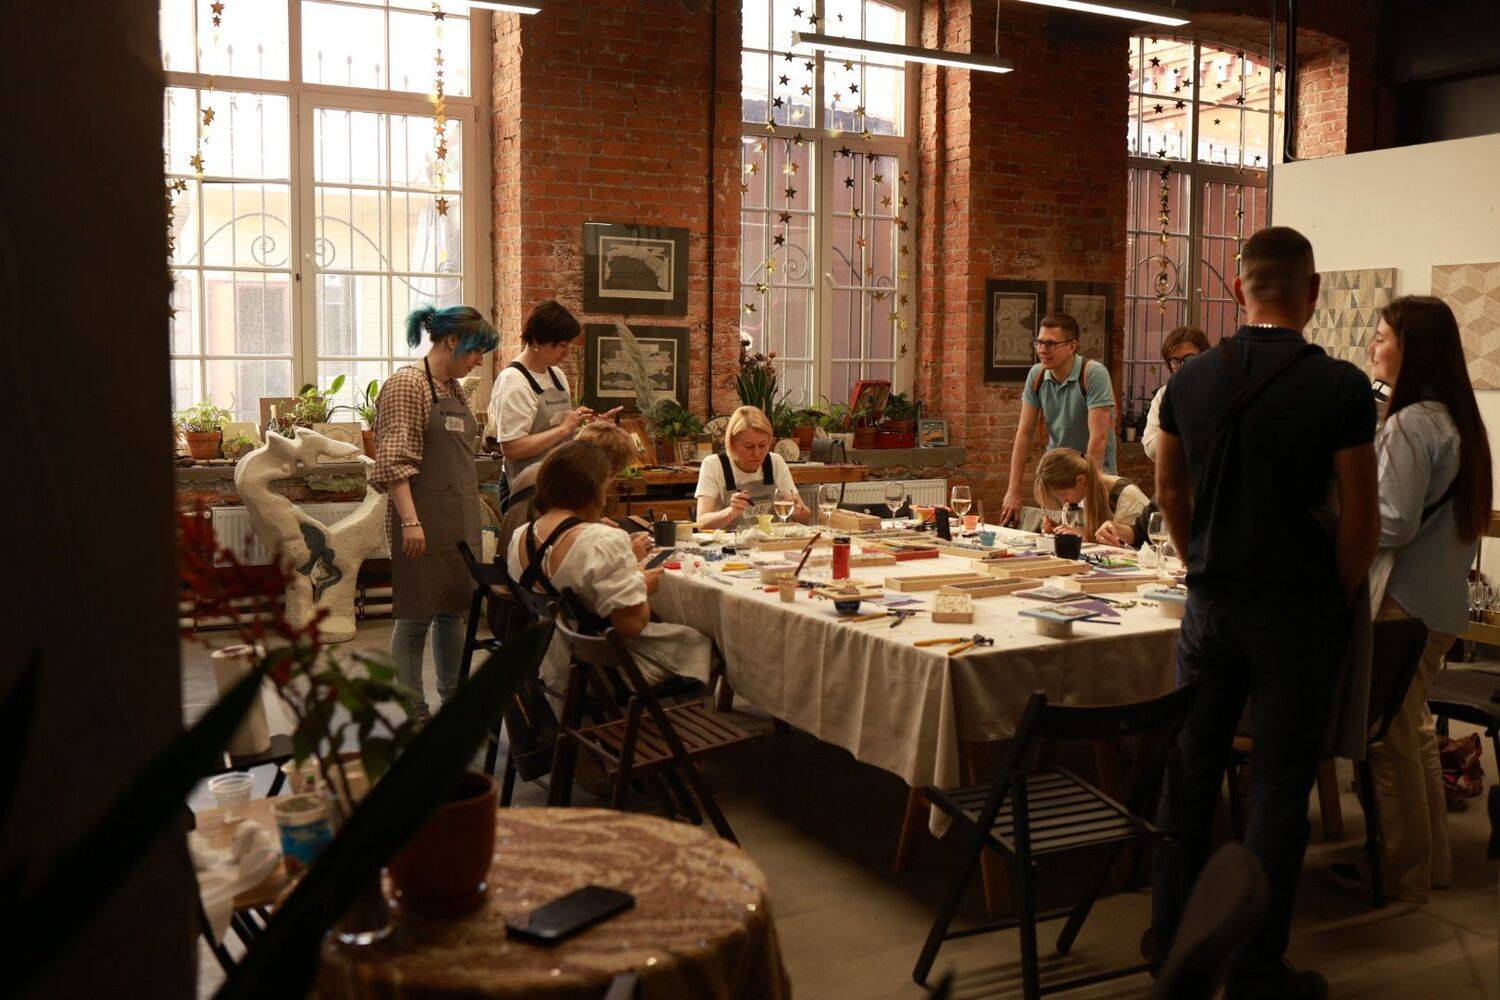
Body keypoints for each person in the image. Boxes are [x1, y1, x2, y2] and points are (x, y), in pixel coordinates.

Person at [1148, 226, 1379, 999]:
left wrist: (1198, 561)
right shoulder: (1340, 386)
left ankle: (1168, 937)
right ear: (1311, 291)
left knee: (1191, 769)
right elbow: (1361, 517)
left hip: (1211, 605)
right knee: (1280, 787)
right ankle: (1254, 967)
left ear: (1238, 286)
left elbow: (1170, 491)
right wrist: (1336, 592)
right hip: (1297, 610)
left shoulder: (1190, 381)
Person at [1325, 296, 1492, 904]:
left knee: (1388, 741)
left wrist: (1341, 517)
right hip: (1440, 604)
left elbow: (1391, 523)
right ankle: (1430, 864)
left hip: (1402, 604)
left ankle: (1399, 873)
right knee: (1413, 730)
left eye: (1382, 336)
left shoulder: (1409, 424)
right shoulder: (1457, 420)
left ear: (1412, 348)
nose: (1372, 347)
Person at [372, 304, 500, 720]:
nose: (479, 361)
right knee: (415, 617)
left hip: (458, 519)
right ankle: (413, 710)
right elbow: (394, 464)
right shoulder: (407, 386)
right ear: (451, 341)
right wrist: (411, 522)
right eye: (476, 351)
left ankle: (453, 703)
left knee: (453, 613)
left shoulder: (453, 389)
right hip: (421, 519)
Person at [507, 440, 713, 692]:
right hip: (604, 670)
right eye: (605, 487)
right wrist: (639, 585)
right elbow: (631, 626)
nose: (606, 498)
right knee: (708, 644)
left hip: (550, 664)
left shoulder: (520, 536)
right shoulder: (601, 541)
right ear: (593, 489)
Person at [1001, 313, 1119, 525]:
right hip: (1057, 473)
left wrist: (1089, 493)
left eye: (1051, 344)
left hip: (1092, 471)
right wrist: (1013, 491)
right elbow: (1024, 434)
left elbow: (1099, 438)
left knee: (1091, 536)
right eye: (1039, 342)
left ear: (1072, 346)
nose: (1042, 350)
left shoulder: (1093, 373)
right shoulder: (1037, 375)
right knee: (1051, 533)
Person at [488, 300, 617, 488]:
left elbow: (561, 435)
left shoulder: (556, 375)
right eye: (561, 345)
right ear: (537, 340)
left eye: (567, 345)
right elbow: (512, 449)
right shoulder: (514, 381)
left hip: (556, 482)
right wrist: (564, 428)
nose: (566, 353)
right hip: (525, 486)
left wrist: (590, 427)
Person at [496, 420, 648, 563]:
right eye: (611, 476)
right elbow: (571, 559)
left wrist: (594, 523)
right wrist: (628, 555)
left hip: (507, 567)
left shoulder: (539, 472)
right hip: (527, 576)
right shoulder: (563, 488)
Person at [695, 405, 812, 530]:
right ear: (732, 443)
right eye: (749, 447)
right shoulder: (714, 465)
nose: (757, 453)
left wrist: (798, 510)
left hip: (769, 540)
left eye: (762, 445)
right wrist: (731, 512)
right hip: (730, 541)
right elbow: (702, 523)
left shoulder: (775, 462)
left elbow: (807, 520)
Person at [1033, 448, 1150, 545]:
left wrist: (1085, 538)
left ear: (1080, 479)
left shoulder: (1128, 497)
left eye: (1063, 494)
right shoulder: (1080, 494)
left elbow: (1139, 547)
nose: (1064, 502)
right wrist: (1061, 533)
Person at [1142, 325, 1210, 462]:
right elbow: (1150, 447)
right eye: (1175, 361)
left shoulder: (1220, 390)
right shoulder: (1164, 394)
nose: (1182, 366)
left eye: (1189, 359)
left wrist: (1170, 437)